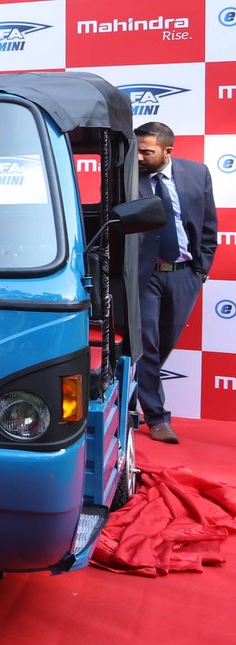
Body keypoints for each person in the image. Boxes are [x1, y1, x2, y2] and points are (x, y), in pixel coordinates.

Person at [133, 122, 217, 444]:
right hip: (146, 275)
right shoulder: (127, 176)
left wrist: (200, 271)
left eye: (146, 151)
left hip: (184, 273)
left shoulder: (198, 174)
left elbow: (209, 225)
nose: (139, 157)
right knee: (148, 344)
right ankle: (156, 417)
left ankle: (131, 394)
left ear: (168, 151)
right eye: (136, 149)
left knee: (165, 340)